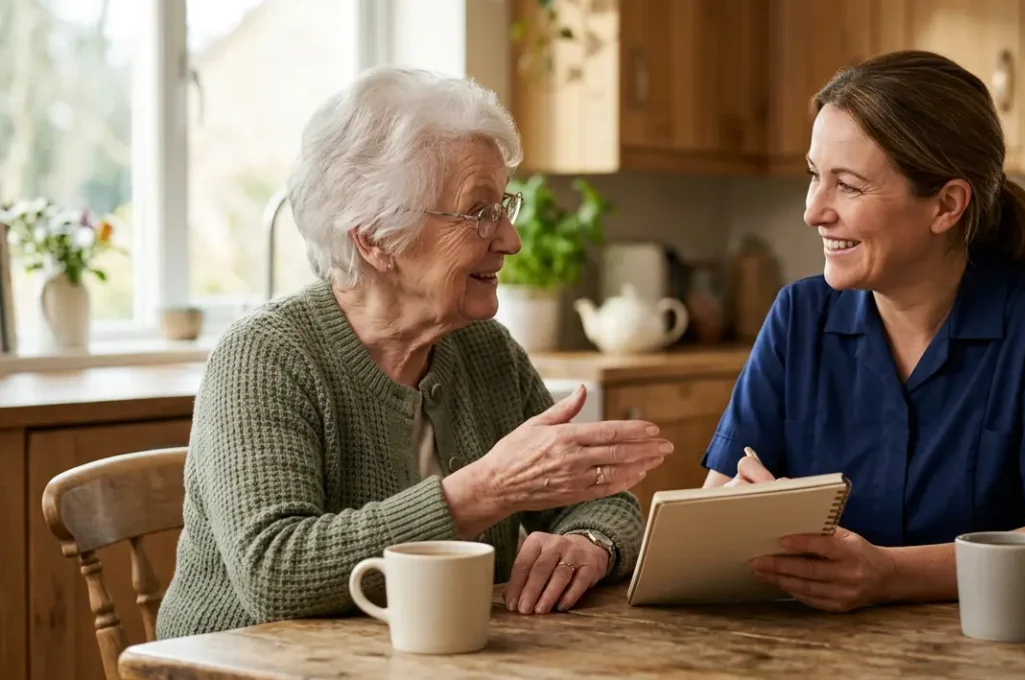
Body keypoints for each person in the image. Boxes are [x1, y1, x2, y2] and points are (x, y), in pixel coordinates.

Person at [156, 66, 673, 638]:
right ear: (376, 238)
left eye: (504, 207)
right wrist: (488, 489)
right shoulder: (266, 358)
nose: (509, 239)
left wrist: (588, 543)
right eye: (480, 213)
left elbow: (602, 501)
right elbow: (276, 571)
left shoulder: (484, 351)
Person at [701, 50, 1025, 613]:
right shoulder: (797, 316)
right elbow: (716, 506)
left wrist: (887, 574)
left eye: (849, 186)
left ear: (947, 205)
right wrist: (735, 518)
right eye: (814, 176)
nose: (814, 211)